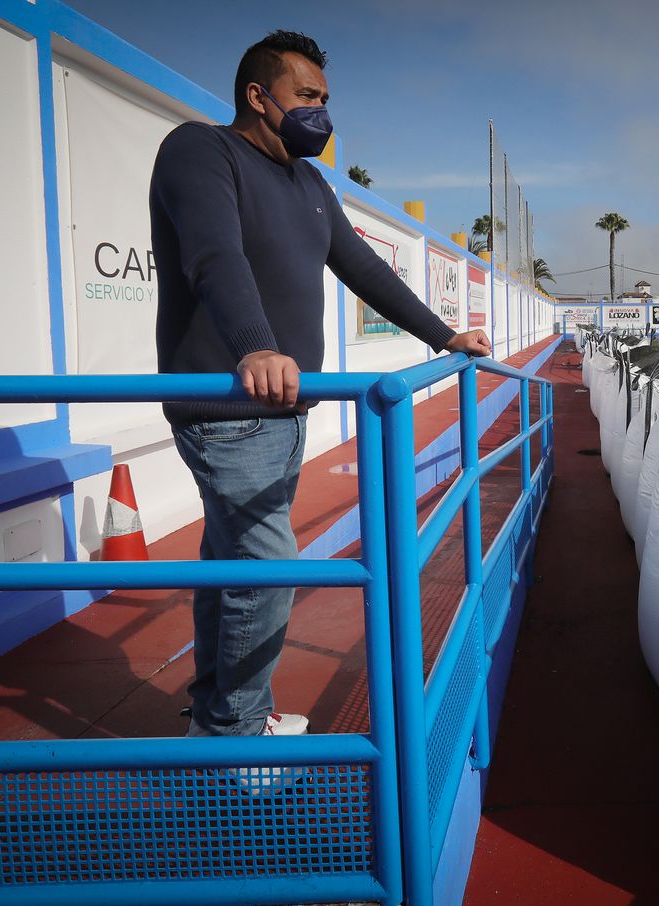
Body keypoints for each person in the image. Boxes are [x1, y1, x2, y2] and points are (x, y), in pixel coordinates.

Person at [150, 30, 490, 738]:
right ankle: (235, 739)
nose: (322, 114)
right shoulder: (200, 150)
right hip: (225, 405)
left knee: (231, 562)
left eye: (326, 101)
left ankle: (214, 711)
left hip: (285, 410)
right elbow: (214, 255)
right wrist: (256, 348)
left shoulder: (309, 183)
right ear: (259, 96)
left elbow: (364, 271)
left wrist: (445, 337)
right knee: (267, 565)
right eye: (307, 97)